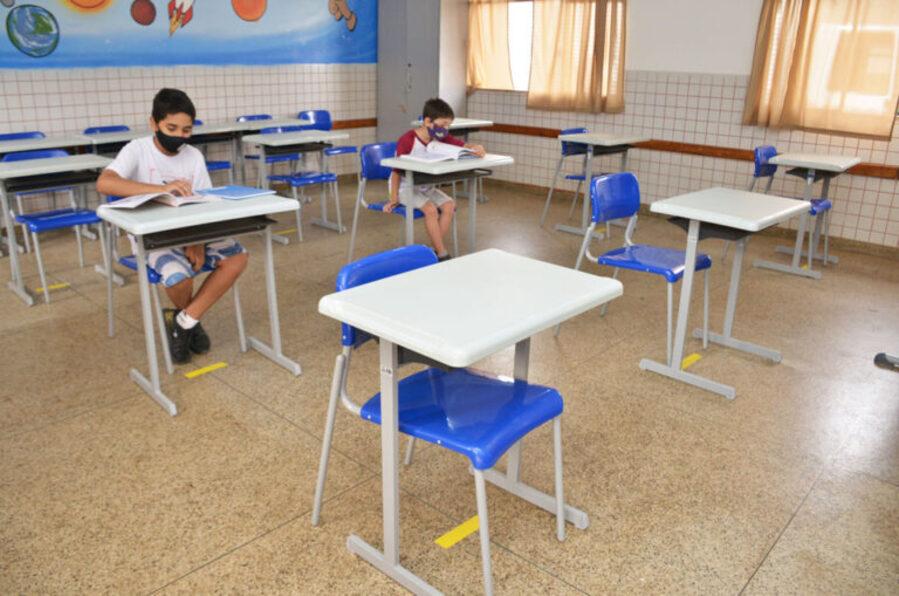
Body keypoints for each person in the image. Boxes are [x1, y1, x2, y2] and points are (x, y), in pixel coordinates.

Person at [96, 88, 248, 364]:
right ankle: (192, 319)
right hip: (152, 236)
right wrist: (160, 188)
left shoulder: (193, 156)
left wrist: (198, 241)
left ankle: (184, 322)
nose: (179, 135)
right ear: (153, 123)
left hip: (193, 228)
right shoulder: (137, 149)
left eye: (187, 130)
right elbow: (105, 183)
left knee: (237, 257)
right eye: (172, 127)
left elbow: (204, 202)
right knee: (180, 276)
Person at [386, 98, 485, 260]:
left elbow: (460, 145)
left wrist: (475, 147)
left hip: (425, 187)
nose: (445, 129)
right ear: (427, 121)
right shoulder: (407, 140)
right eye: (443, 124)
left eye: (448, 125)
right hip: (405, 187)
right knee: (430, 209)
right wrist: (393, 198)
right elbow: (396, 172)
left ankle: (433, 248)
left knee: (449, 205)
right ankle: (441, 253)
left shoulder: (440, 137)